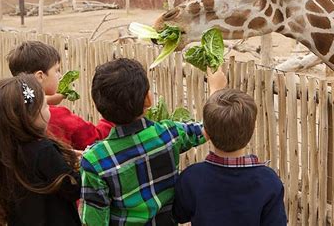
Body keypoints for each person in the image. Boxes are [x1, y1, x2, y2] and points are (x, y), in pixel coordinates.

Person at [80, 58, 227, 225]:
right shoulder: (169, 134)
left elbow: (93, 221)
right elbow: (207, 129)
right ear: (148, 100)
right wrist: (216, 89)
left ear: (99, 106)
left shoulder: (95, 161)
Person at [173, 88, 287, 226]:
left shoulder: (191, 178)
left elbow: (178, 215)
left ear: (206, 132)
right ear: (251, 131)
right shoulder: (269, 181)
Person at [0, 74, 81, 226]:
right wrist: (84, 166)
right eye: (45, 106)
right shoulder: (44, 150)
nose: (49, 109)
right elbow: (72, 188)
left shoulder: (2, 150)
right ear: (29, 116)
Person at [7, 40, 114, 150]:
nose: (60, 75)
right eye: (56, 70)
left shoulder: (8, 109)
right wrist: (113, 116)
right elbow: (96, 137)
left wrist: (46, 100)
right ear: (40, 76)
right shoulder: (58, 116)